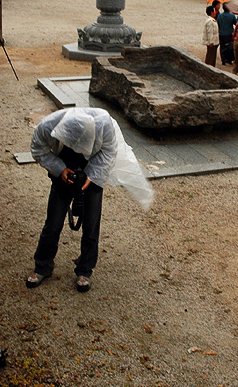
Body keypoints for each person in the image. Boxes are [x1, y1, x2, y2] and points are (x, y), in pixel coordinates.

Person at [28, 107, 153, 293]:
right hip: (63, 169)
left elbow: (109, 152)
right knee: (53, 222)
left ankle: (85, 270)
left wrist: (92, 176)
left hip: (93, 167)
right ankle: (42, 266)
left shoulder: (105, 125)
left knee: (91, 224)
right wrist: (60, 169)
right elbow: (38, 149)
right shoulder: (48, 126)